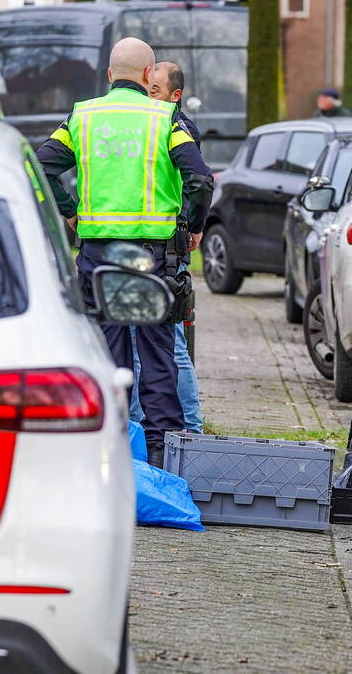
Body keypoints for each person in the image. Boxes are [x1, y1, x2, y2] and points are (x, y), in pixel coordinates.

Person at [36, 38, 213, 468]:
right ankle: (162, 461)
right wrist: (192, 225)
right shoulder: (166, 118)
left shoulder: (83, 115)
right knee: (157, 356)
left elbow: (38, 165)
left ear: (111, 75)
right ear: (150, 74)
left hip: (98, 256)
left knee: (106, 358)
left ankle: (108, 457)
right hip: (154, 257)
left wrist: (71, 212)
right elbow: (201, 180)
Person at [125, 59, 202, 434]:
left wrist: (189, 225)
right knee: (148, 343)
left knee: (169, 344)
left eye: (153, 91)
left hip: (164, 252)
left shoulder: (177, 127)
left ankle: (187, 428)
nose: (147, 96)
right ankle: (151, 426)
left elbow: (197, 183)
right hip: (151, 249)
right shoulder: (152, 126)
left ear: (175, 96)